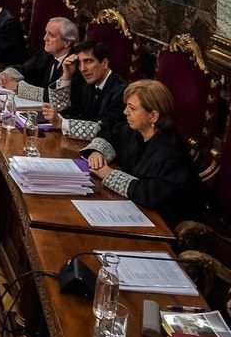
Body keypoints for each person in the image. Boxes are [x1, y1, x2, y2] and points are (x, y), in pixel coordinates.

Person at [84, 80, 207, 228]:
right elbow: (111, 136)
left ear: (153, 116)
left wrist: (109, 174)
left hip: (165, 224)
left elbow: (152, 194)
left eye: (132, 108)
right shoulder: (134, 129)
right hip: (132, 210)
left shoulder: (170, 152)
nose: (125, 112)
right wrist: (98, 152)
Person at [43, 39, 127, 142]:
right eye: (79, 63)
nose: (82, 68)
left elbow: (104, 129)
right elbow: (62, 110)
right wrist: (67, 75)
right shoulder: (86, 85)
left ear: (104, 63)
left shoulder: (121, 91)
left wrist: (61, 123)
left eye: (88, 61)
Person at [0, 18, 79, 101]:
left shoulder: (74, 64)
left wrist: (18, 87)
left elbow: (56, 98)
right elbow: (24, 69)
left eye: (51, 35)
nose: (45, 38)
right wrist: (6, 75)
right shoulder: (45, 54)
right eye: (46, 33)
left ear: (67, 42)